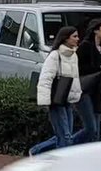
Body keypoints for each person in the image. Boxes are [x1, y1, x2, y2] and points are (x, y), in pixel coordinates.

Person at [31, 26, 84, 156]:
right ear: (65, 38)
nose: (78, 39)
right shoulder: (55, 55)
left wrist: (76, 96)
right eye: (75, 36)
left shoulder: (74, 55)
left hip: (67, 100)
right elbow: (46, 78)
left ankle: (36, 151)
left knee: (66, 136)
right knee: (65, 138)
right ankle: (61, 166)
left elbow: (75, 79)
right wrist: (45, 101)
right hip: (56, 100)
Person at [76, 17, 101, 143]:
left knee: (96, 132)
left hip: (97, 92)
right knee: (91, 129)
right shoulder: (85, 46)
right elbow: (78, 67)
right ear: (96, 30)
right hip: (84, 91)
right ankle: (67, 145)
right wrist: (98, 68)